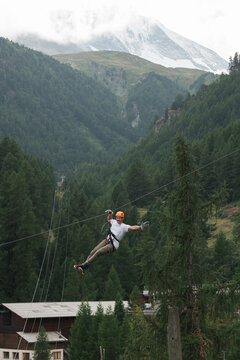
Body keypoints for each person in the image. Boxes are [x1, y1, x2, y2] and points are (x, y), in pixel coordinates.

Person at [74, 209, 149, 274]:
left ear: (122, 219)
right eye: (117, 217)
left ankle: (83, 265)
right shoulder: (114, 221)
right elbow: (109, 219)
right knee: (93, 251)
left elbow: (132, 227)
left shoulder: (124, 226)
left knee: (98, 252)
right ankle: (84, 267)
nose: (118, 219)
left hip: (113, 245)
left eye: (120, 218)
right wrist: (110, 214)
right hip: (107, 240)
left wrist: (140, 227)